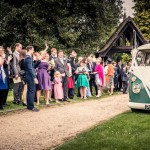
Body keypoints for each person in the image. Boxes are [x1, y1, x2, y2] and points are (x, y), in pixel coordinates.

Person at [24, 46, 39, 111]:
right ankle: (31, 107)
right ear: (29, 50)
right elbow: (30, 69)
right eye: (32, 50)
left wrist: (39, 61)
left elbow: (33, 67)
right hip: (30, 76)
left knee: (30, 91)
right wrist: (34, 78)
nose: (33, 51)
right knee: (31, 91)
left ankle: (29, 106)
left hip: (28, 76)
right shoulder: (28, 58)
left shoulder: (28, 58)